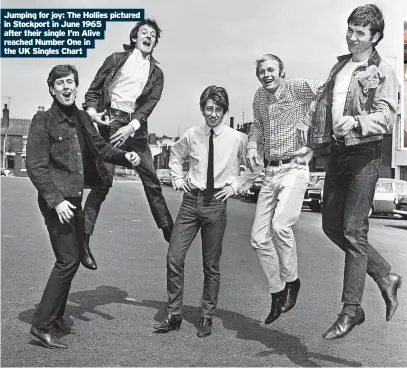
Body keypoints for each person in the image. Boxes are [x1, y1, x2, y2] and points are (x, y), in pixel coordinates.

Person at [26, 64, 141, 349]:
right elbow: (36, 167)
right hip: (57, 201)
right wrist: (56, 201)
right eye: (60, 83)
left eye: (70, 82)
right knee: (67, 260)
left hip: (74, 199)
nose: (66, 87)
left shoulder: (81, 118)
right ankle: (42, 325)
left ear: (76, 87)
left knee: (73, 259)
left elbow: (101, 149)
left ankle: (56, 315)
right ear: (52, 89)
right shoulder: (43, 120)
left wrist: (126, 156)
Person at [306, 4, 402, 340]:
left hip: (364, 154)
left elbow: (387, 118)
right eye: (350, 30)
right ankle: (385, 276)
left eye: (360, 33)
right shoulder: (340, 67)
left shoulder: (384, 71)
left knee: (353, 231)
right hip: (337, 152)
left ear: (375, 37)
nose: (352, 37)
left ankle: (351, 310)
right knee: (331, 226)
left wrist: (358, 122)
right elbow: (324, 108)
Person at [153, 86, 260, 337]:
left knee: (210, 265)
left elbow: (255, 166)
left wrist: (235, 186)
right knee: (174, 258)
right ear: (202, 109)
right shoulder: (192, 134)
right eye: (209, 108)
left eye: (218, 109)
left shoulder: (237, 138)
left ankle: (206, 316)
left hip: (216, 204)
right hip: (191, 201)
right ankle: (173, 314)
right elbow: (176, 156)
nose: (213, 114)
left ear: (224, 111)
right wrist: (178, 180)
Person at [83, 18, 173, 270]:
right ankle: (84, 241)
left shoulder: (157, 73)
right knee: (103, 183)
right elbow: (92, 93)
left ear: (155, 42)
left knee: (152, 181)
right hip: (110, 122)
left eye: (153, 34)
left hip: (136, 128)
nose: (149, 36)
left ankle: (170, 231)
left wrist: (130, 127)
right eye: (144, 32)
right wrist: (93, 114)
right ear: (134, 38)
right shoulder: (115, 60)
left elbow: (148, 106)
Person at [246, 54, 322, 325]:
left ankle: (292, 282)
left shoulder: (297, 87)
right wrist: (252, 146)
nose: (266, 75)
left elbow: (327, 90)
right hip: (270, 170)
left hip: (295, 168)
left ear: (281, 72)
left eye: (271, 70)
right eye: (262, 71)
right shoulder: (259, 96)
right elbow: (256, 125)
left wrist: (309, 120)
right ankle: (277, 291)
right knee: (258, 238)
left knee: (280, 226)